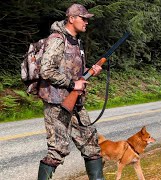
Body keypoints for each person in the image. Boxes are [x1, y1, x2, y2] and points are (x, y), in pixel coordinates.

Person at [37, 4, 104, 180]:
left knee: (91, 146)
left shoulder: (77, 41)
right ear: (71, 18)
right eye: (83, 18)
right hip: (57, 104)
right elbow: (46, 70)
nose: (86, 22)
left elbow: (71, 70)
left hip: (76, 103)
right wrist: (72, 84)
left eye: (87, 19)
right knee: (57, 151)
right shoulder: (57, 39)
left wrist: (91, 70)